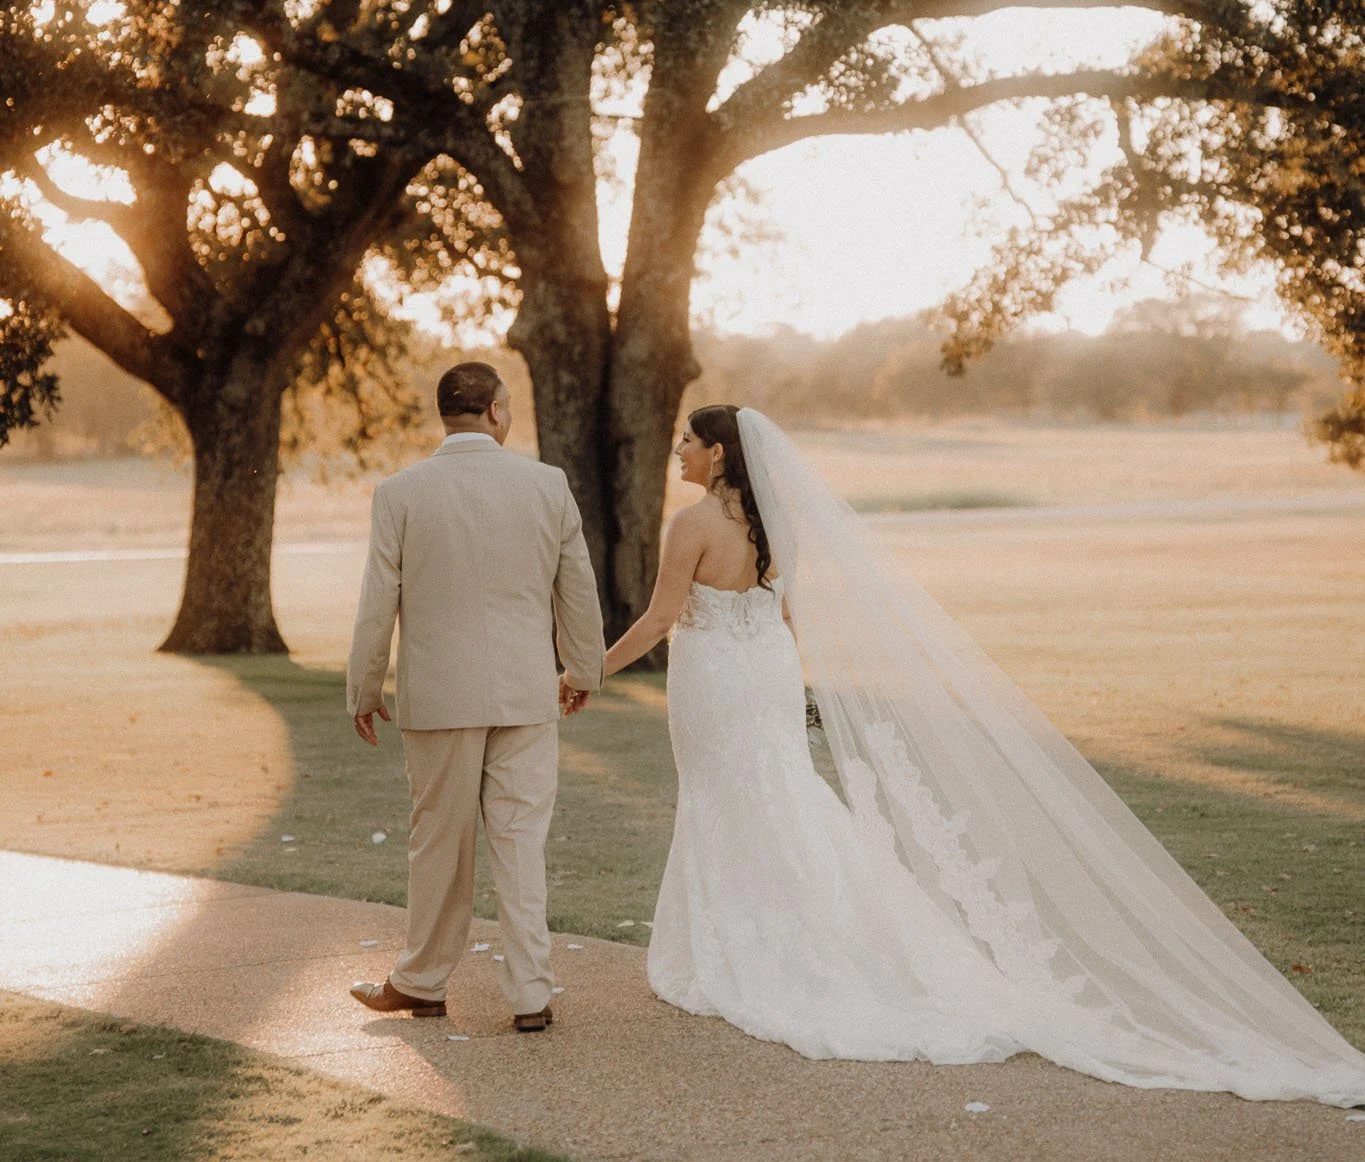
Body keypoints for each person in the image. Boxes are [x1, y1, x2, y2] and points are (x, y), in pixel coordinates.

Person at [601, 403, 1365, 1106]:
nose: (678, 452)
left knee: (723, 798)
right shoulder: (779, 524)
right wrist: (789, 682)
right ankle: (777, 934)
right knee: (779, 796)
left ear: (721, 456)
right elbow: (786, 613)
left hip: (716, 680)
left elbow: (663, 618)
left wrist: (588, 670)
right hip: (764, 671)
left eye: (689, 443)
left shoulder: (691, 525)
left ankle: (745, 951)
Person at [346, 361, 603, 1032]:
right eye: (507, 406)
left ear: (446, 415)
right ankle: (530, 997)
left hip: (438, 695)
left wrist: (365, 687)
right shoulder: (546, 485)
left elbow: (379, 599)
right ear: (493, 411)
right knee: (519, 844)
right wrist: (580, 670)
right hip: (524, 692)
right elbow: (575, 587)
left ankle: (423, 982)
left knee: (439, 842)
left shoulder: (399, 492)